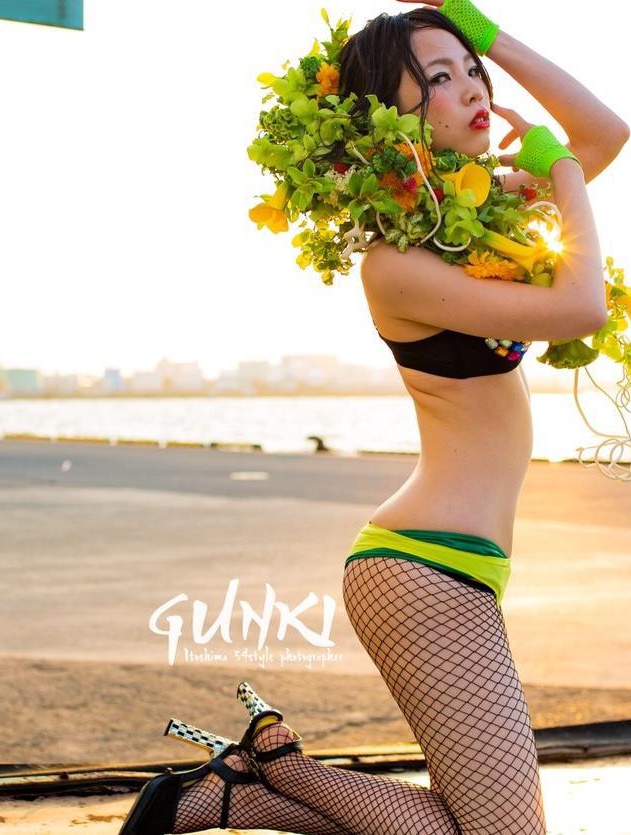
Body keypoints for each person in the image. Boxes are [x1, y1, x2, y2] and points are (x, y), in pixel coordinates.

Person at [118, 2, 629, 833]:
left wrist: (489, 37)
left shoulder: (473, 221)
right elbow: (579, 307)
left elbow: (605, 135)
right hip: (420, 568)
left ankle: (244, 789)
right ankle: (277, 771)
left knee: (475, 827)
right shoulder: (397, 265)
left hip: (461, 563)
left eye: (472, 72)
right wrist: (559, 167)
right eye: (439, 78)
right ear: (388, 121)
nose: (472, 88)